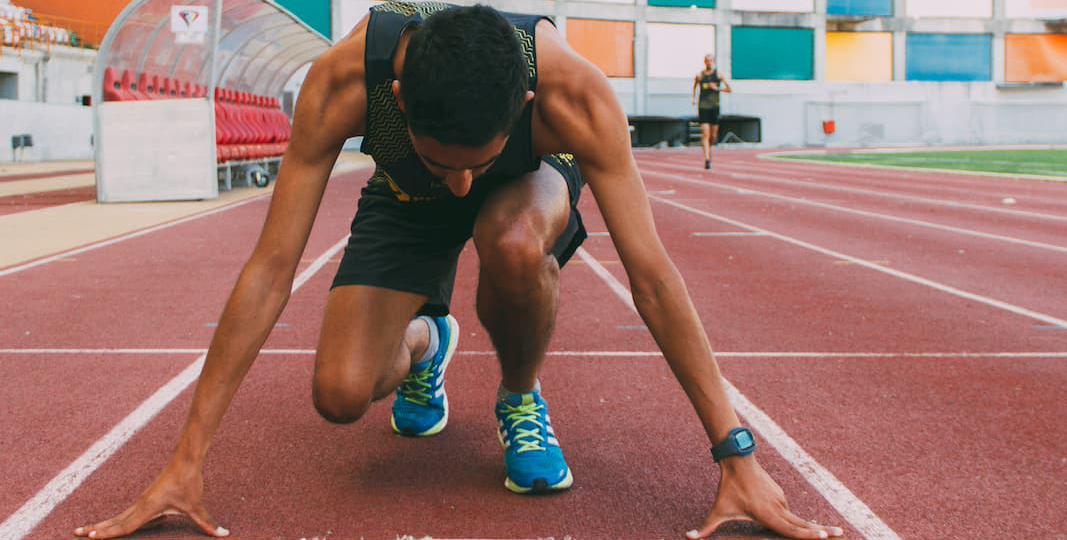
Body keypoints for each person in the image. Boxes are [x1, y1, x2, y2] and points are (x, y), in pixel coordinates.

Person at [74, 4, 845, 540]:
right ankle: (426, 344)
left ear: (526, 104)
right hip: (401, 193)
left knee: (505, 236)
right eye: (449, 162)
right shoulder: (345, 85)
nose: (461, 188)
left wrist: (734, 454)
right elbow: (271, 268)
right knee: (342, 395)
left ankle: (518, 395)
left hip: (527, 187)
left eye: (475, 162)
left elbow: (652, 277)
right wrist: (186, 461)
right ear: (399, 102)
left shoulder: (575, 95)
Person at [693, 54, 730, 170]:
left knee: (712, 136)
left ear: (713, 62)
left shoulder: (718, 75)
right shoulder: (699, 75)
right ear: (704, 62)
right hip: (703, 107)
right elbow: (694, 87)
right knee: (705, 134)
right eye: (707, 61)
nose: (708, 62)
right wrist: (693, 98)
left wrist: (717, 88)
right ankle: (707, 159)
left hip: (715, 107)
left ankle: (708, 149)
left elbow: (729, 89)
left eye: (710, 61)